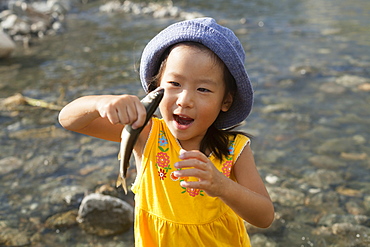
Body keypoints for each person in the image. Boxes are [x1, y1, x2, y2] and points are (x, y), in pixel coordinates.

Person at [59, 17, 274, 246]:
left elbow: (264, 216)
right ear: (156, 87)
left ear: (226, 101)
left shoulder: (234, 149)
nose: (185, 100)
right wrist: (99, 103)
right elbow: (68, 120)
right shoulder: (146, 134)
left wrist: (223, 186)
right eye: (175, 84)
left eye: (203, 89)